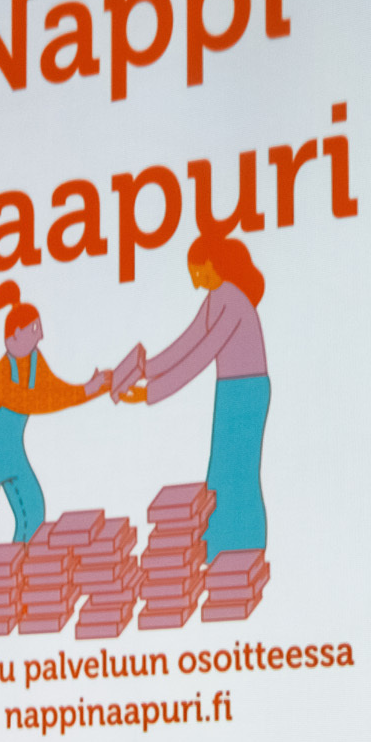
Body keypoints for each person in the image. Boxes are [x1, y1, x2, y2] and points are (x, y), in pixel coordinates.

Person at [0, 282, 111, 620]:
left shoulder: (34, 360)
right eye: (34, 329)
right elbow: (33, 401)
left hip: (13, 450)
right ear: (13, 337)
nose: (41, 335)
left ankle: (13, 584)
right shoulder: (3, 374)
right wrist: (87, 391)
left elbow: (55, 390)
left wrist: (90, 389)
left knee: (32, 512)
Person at [117, 232, 269, 564]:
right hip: (230, 389)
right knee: (220, 470)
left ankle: (246, 548)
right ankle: (218, 547)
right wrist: (143, 369)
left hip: (248, 391)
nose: (194, 281)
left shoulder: (233, 300)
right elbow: (186, 345)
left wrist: (150, 392)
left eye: (196, 272)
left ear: (211, 265)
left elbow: (202, 355)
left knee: (239, 471)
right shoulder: (215, 299)